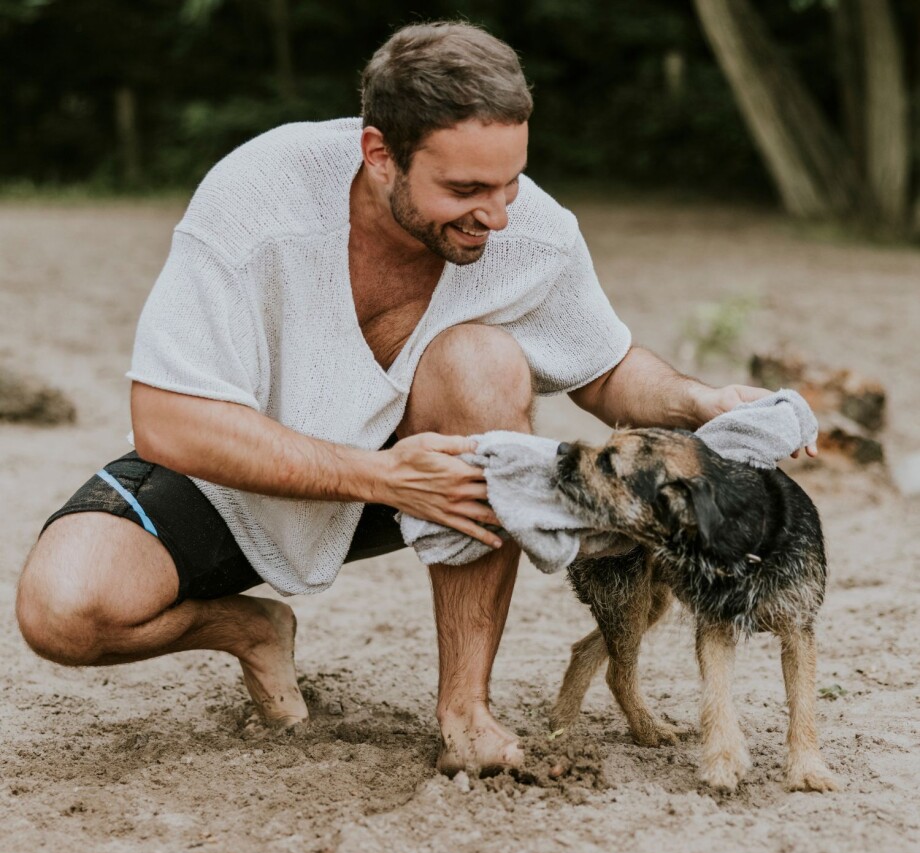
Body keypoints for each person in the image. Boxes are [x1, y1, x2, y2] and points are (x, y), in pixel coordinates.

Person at [15, 21, 808, 776]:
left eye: (511, 181)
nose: (496, 215)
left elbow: (604, 368)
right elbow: (167, 420)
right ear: (378, 154)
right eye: (465, 187)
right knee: (64, 611)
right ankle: (249, 628)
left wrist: (704, 400)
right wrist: (377, 476)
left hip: (425, 485)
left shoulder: (529, 229)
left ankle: (466, 710)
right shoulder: (261, 196)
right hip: (243, 472)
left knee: (482, 364)